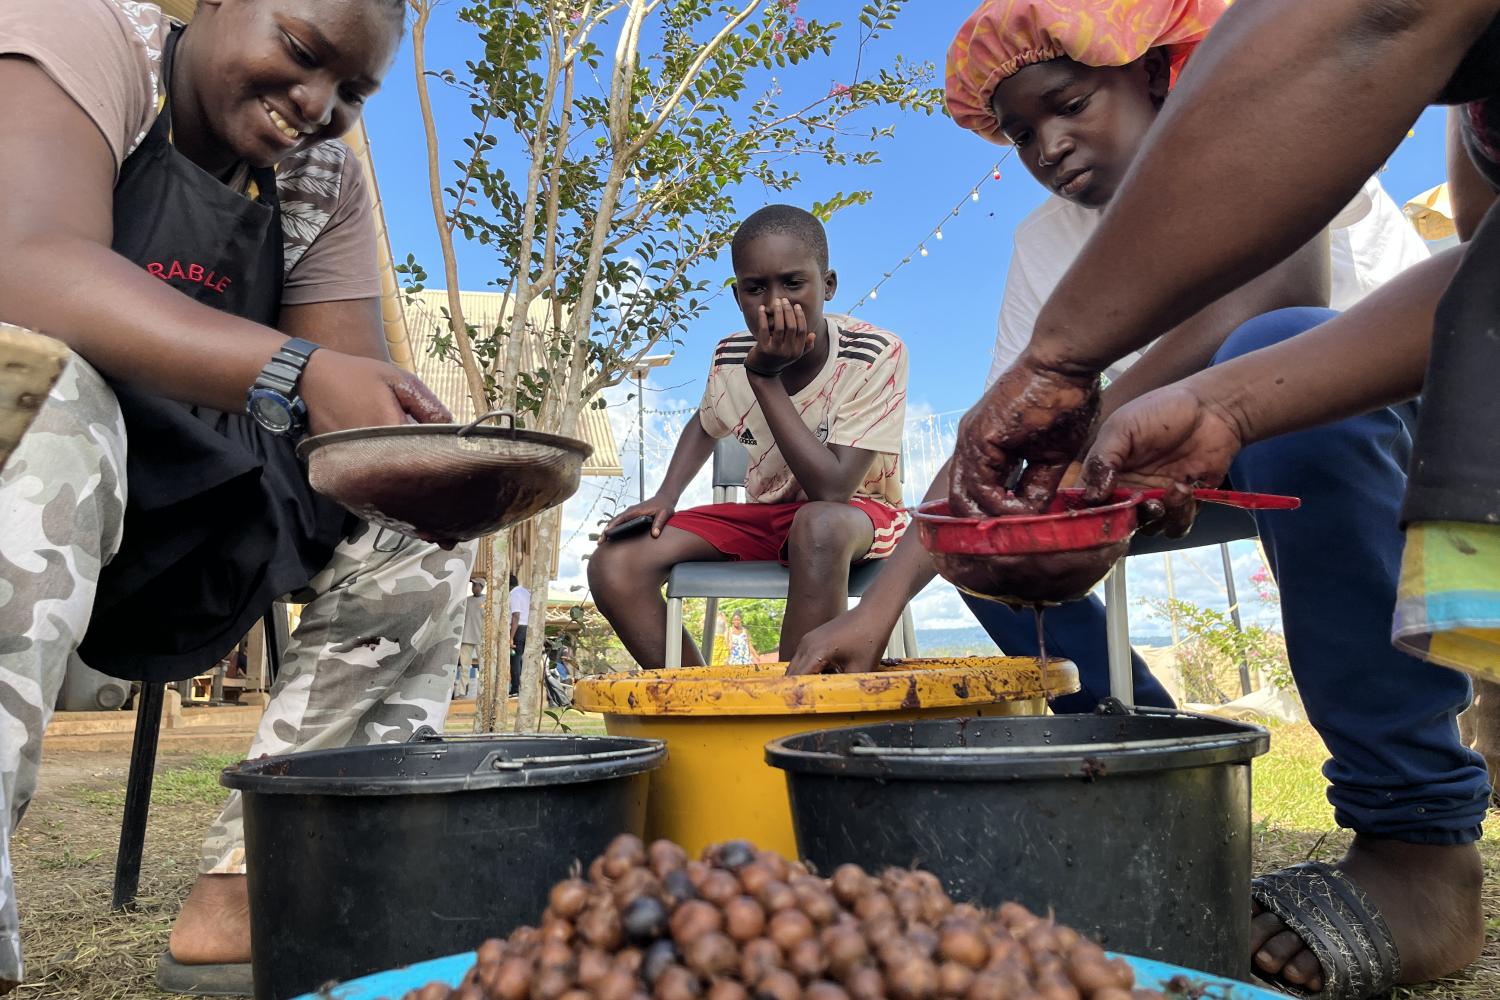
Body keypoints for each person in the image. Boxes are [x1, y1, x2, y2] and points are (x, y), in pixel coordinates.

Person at [946, 1, 1500, 996]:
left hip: (1367, 432)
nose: (1049, 144)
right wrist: (896, 585)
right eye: (1023, 131)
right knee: (991, 544)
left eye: (1068, 104)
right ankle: (1155, 760)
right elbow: (1487, 270)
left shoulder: (1293, 122)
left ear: (1158, 76)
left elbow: (1282, 299)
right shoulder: (1478, 129)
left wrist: (1094, 377)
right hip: (1217, 436)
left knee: (1265, 354)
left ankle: (1416, 828)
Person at [0, 0, 475, 992]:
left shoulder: (318, 177)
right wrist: (294, 368)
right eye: (301, 52)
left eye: (352, 91)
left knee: (416, 526)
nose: (316, 103)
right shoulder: (89, 40)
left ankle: (264, 885)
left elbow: (350, 414)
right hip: (34, 460)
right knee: (55, 393)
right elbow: (25, 262)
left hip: (189, 496)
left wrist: (437, 457)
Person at [589, 205, 909, 667]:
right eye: (756, 288)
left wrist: (765, 377)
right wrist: (666, 493)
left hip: (856, 518)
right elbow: (705, 422)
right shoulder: (730, 354)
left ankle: (797, 716)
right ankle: (702, 704)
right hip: (770, 518)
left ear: (829, 285)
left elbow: (833, 490)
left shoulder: (874, 354)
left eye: (793, 283)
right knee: (615, 562)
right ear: (738, 295)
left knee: (817, 524)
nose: (775, 304)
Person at [456, 579, 485, 698]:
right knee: (464, 667)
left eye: (477, 585)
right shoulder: (466, 601)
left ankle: (483, 692)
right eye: (473, 585)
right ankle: (462, 692)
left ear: (482, 587)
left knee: (484, 667)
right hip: (466, 638)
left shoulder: (487, 600)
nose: (474, 588)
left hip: (481, 638)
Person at [508, 573, 530, 697]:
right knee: (524, 660)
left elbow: (516, 615)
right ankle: (524, 688)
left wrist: (511, 637)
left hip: (519, 629)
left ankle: (516, 688)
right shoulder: (526, 592)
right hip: (529, 628)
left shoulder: (514, 594)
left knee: (516, 659)